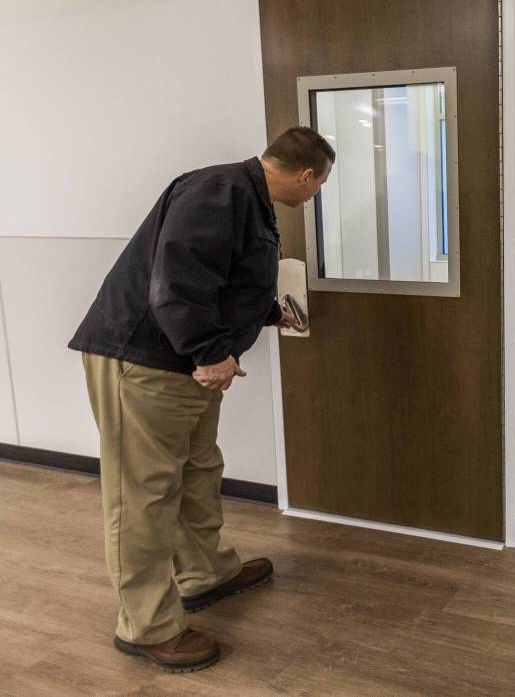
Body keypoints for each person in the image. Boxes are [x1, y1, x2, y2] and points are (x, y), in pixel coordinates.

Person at [68, 126, 335, 672]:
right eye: (318, 187)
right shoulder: (220, 191)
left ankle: (205, 574)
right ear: (306, 176)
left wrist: (264, 312)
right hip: (148, 361)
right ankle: (145, 626)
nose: (313, 197)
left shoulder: (245, 198)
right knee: (141, 493)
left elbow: (222, 275)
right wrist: (209, 352)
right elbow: (178, 281)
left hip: (184, 364)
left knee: (196, 469)